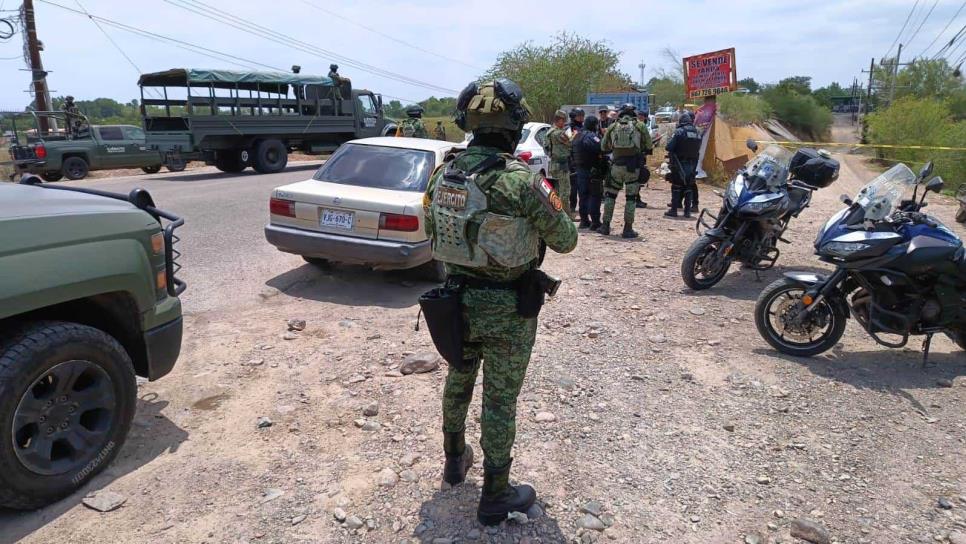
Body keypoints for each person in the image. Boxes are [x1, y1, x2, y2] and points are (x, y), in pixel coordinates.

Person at [423, 78, 578, 526]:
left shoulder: (443, 173)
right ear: (513, 127)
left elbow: (430, 224)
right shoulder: (521, 182)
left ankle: (455, 459)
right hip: (509, 309)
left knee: (459, 377)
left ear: (465, 123)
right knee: (499, 401)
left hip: (455, 301)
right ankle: (495, 493)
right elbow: (565, 240)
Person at [599, 103, 652, 238]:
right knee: (631, 199)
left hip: (616, 167)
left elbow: (604, 147)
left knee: (610, 196)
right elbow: (649, 146)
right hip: (633, 168)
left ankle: (605, 226)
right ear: (634, 113)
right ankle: (627, 229)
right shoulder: (640, 126)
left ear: (621, 113)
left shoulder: (612, 126)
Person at [664, 111, 702, 218]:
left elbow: (669, 147)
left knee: (676, 186)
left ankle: (674, 210)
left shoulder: (679, 131)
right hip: (692, 164)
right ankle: (687, 212)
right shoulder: (697, 132)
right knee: (688, 186)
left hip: (679, 163)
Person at [573, 115, 607, 230]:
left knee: (583, 196)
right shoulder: (591, 137)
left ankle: (584, 221)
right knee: (594, 196)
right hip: (592, 170)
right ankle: (595, 222)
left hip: (580, 170)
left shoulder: (577, 136)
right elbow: (601, 148)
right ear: (594, 125)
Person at [543, 110, 573, 217]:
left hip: (553, 164)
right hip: (561, 165)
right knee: (565, 191)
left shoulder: (549, 132)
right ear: (559, 120)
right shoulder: (558, 133)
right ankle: (566, 216)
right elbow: (571, 140)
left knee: (557, 192)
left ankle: (555, 213)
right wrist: (573, 131)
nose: (564, 123)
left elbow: (546, 149)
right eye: (563, 121)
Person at [567, 108, 584, 215]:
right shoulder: (568, 128)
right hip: (572, 160)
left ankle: (582, 208)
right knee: (573, 187)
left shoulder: (583, 127)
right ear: (574, 116)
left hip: (582, 160)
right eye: (579, 115)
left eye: (582, 115)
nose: (582, 117)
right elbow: (569, 143)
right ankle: (572, 207)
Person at [635, 110, 653, 209]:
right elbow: (648, 143)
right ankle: (636, 199)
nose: (641, 118)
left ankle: (636, 198)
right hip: (638, 156)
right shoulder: (640, 126)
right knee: (638, 178)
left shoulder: (641, 126)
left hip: (637, 155)